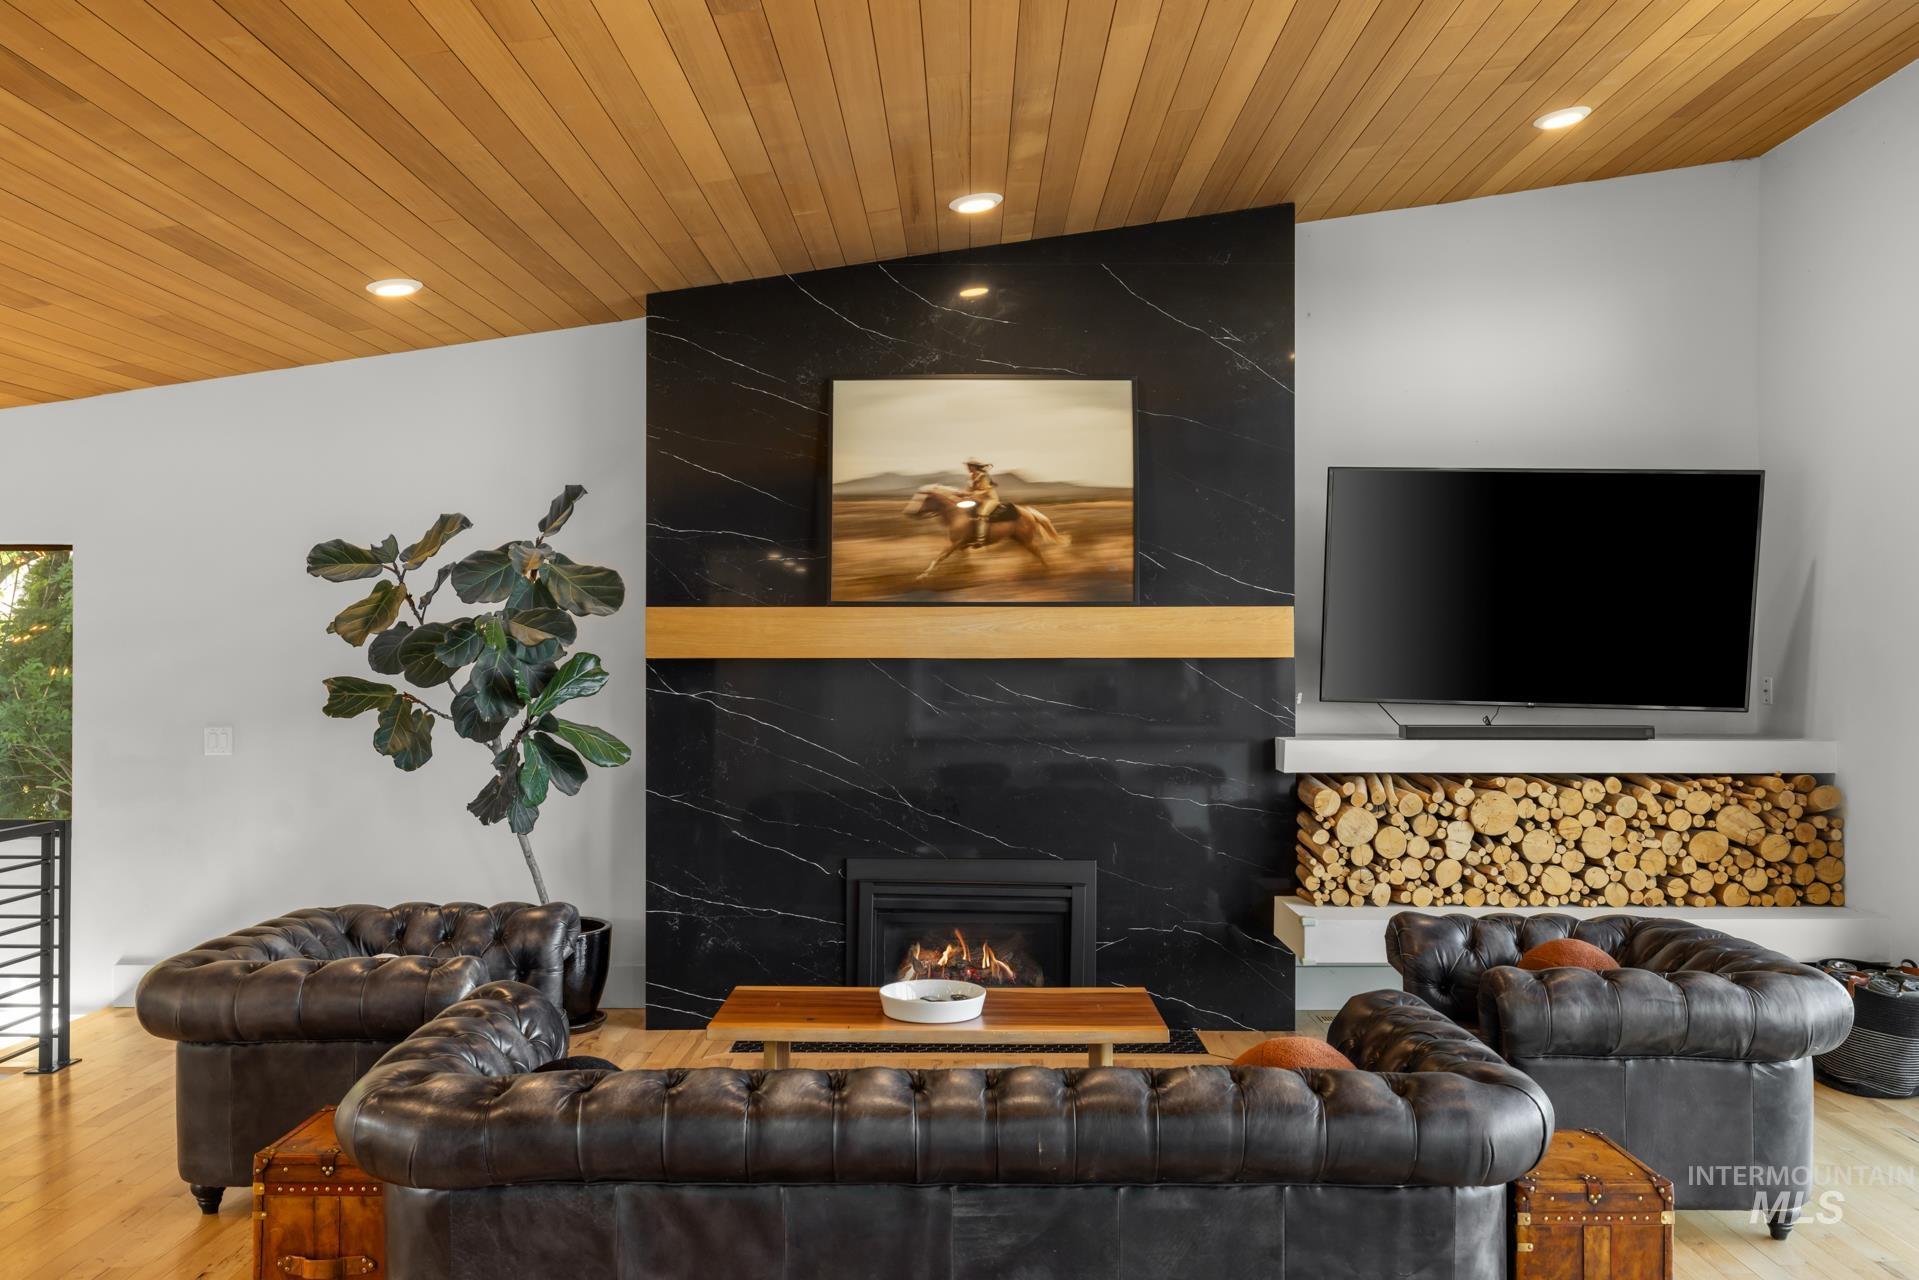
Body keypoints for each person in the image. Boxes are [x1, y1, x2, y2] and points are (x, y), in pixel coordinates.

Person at [963, 457, 1000, 548]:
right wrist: (960, 495)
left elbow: (986, 490)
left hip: (990, 499)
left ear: (974, 467)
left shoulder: (982, 476)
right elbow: (968, 490)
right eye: (968, 466)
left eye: (969, 466)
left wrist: (974, 494)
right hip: (979, 500)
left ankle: (980, 540)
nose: (967, 468)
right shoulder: (972, 477)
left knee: (982, 514)